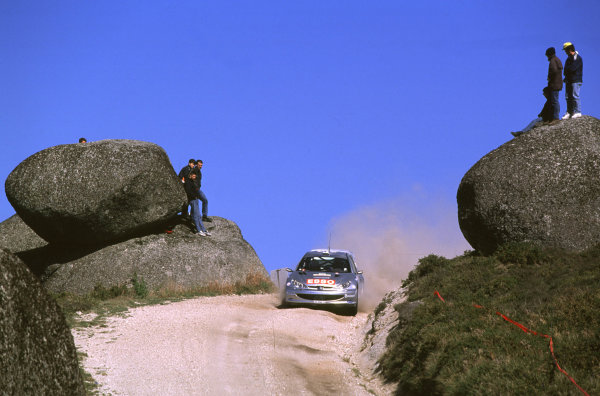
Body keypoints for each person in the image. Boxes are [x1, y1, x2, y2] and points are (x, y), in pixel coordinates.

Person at [562, 42, 583, 119]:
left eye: (566, 50)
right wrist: (566, 75)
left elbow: (573, 68)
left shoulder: (577, 58)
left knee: (575, 96)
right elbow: (565, 70)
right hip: (569, 80)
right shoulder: (568, 58)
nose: (565, 52)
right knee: (568, 97)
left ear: (570, 49)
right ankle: (570, 111)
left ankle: (578, 111)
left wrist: (568, 71)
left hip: (576, 80)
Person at [545, 47, 563, 124]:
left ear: (549, 54)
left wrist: (549, 78)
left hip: (554, 84)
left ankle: (555, 118)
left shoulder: (552, 61)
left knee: (554, 101)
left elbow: (554, 71)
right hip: (558, 84)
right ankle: (553, 118)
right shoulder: (557, 59)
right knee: (554, 100)